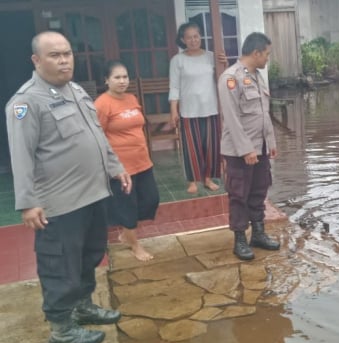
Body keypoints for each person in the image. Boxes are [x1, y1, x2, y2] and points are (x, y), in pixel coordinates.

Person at [5, 31, 131, 343]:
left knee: (89, 255)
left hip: (93, 193)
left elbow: (97, 136)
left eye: (67, 53)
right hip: (59, 203)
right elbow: (21, 155)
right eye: (55, 55)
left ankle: (83, 306)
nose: (64, 60)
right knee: (59, 264)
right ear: (36, 60)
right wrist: (28, 202)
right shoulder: (26, 102)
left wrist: (115, 166)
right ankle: (62, 329)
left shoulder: (75, 89)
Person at [217, 32, 280, 261]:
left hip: (260, 147)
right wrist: (246, 149)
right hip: (239, 152)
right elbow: (232, 118)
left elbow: (264, 113)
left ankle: (258, 233)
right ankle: (240, 240)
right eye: (267, 54)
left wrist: (270, 143)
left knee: (259, 190)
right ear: (256, 53)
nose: (267, 59)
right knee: (239, 194)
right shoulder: (230, 78)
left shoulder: (257, 77)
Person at [95, 60, 160, 262]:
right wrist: (110, 166)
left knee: (151, 200)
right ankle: (135, 245)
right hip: (122, 168)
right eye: (117, 77)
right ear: (106, 80)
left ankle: (125, 232)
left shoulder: (131, 98)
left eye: (125, 77)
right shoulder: (102, 104)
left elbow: (138, 125)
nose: (122, 81)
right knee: (127, 207)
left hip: (143, 161)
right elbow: (97, 136)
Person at [169, 22, 226, 194]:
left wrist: (225, 63)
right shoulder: (177, 60)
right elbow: (174, 87)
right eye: (189, 37)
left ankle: (208, 178)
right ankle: (193, 181)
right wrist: (174, 111)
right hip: (189, 110)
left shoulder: (211, 56)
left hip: (211, 108)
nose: (193, 40)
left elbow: (224, 79)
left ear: (200, 36)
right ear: (182, 40)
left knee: (211, 146)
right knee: (191, 147)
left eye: (196, 36)